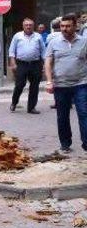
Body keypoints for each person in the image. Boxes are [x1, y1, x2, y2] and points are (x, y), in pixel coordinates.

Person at [44, 14, 87, 153]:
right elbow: (48, 62)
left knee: (84, 113)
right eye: (62, 26)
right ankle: (65, 143)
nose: (64, 29)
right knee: (62, 115)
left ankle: (86, 143)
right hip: (60, 85)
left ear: (75, 26)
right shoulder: (53, 42)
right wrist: (49, 81)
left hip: (81, 83)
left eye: (68, 26)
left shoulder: (84, 41)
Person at [8, 18, 45, 114]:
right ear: (23, 26)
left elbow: (43, 51)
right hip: (21, 64)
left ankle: (31, 107)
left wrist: (45, 64)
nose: (28, 26)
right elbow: (12, 51)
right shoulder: (17, 36)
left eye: (30, 25)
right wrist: (13, 63)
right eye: (26, 25)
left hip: (35, 64)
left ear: (33, 26)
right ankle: (14, 102)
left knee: (34, 86)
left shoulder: (38, 36)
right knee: (19, 85)